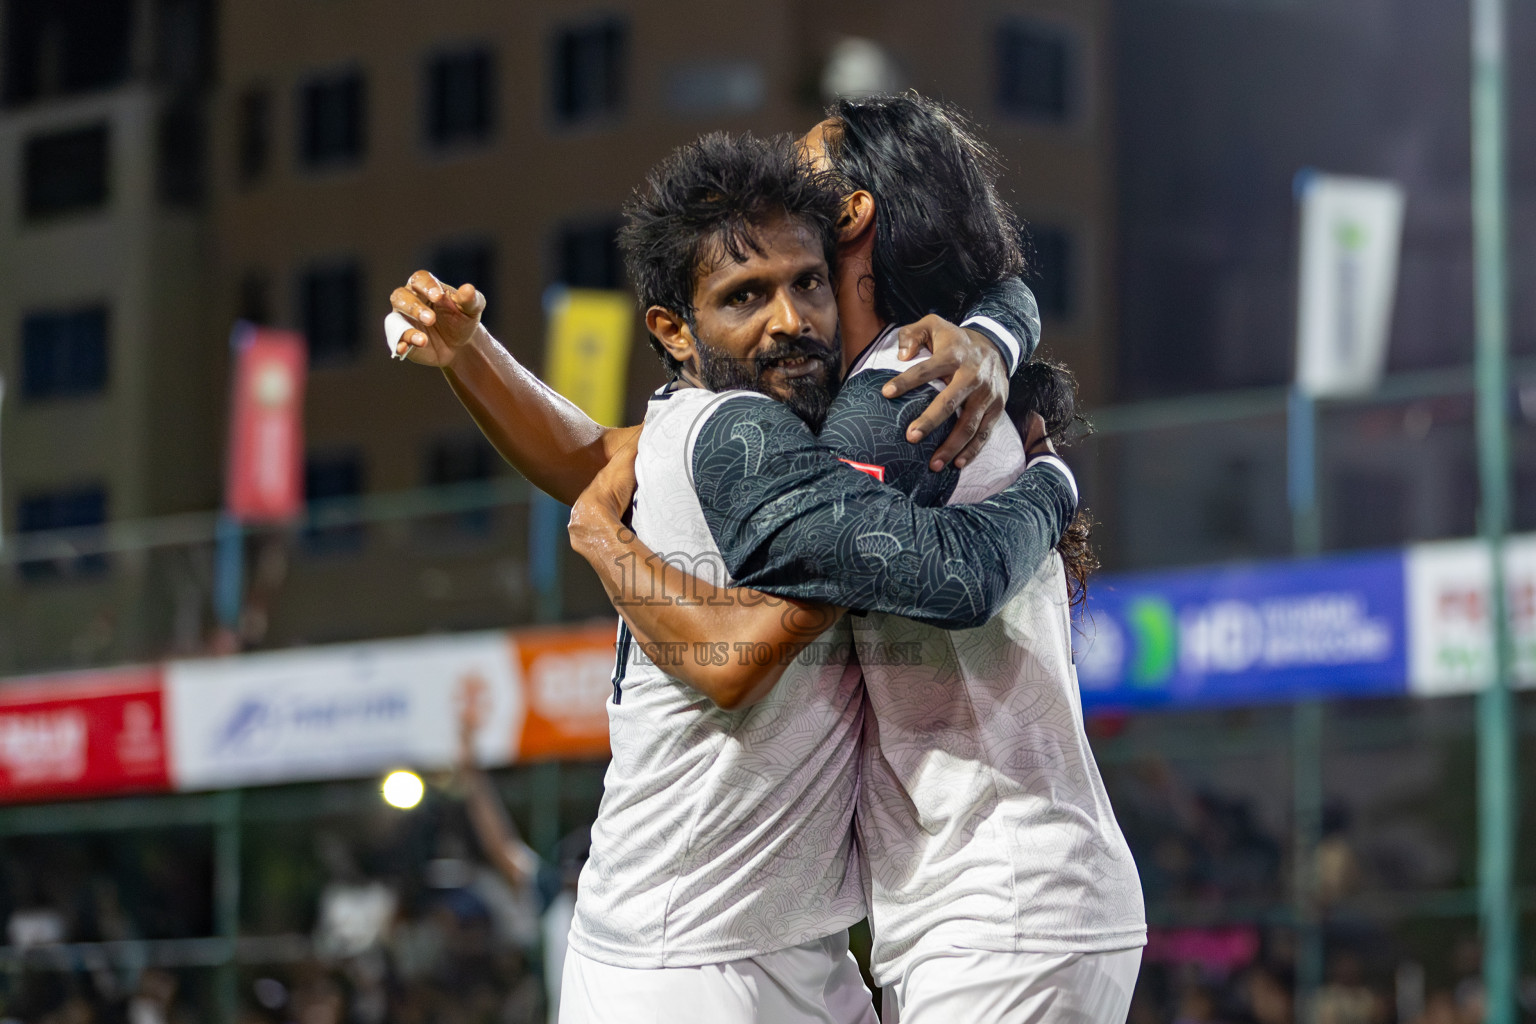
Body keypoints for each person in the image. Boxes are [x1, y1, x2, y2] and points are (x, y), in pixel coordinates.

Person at [388, 131, 1076, 1023]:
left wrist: (475, 356)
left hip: (780, 957)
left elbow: (589, 451)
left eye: (808, 282)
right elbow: (729, 660)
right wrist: (1051, 479)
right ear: (675, 331)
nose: (789, 319)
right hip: (683, 960)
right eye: (746, 296)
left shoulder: (745, 423)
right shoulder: (736, 434)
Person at [569, 95, 1145, 1024]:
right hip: (984, 909)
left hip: (999, 906)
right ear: (672, 327)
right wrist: (1007, 319)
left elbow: (755, 647)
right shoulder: (925, 359)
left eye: (807, 176)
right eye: (745, 293)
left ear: (851, 214)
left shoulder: (896, 389)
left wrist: (603, 542)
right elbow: (601, 448)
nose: (785, 189)